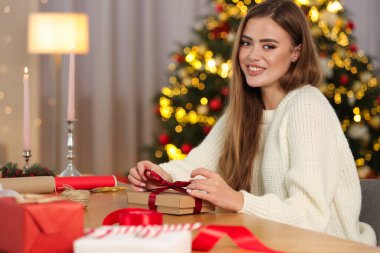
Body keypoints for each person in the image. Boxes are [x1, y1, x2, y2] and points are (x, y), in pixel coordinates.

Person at [128, 0, 376, 246]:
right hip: (269, 242)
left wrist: (238, 201)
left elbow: (310, 217)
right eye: (246, 43)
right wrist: (162, 175)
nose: (252, 55)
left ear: (295, 52)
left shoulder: (306, 107)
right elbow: (195, 166)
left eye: (269, 46)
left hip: (327, 246)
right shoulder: (246, 110)